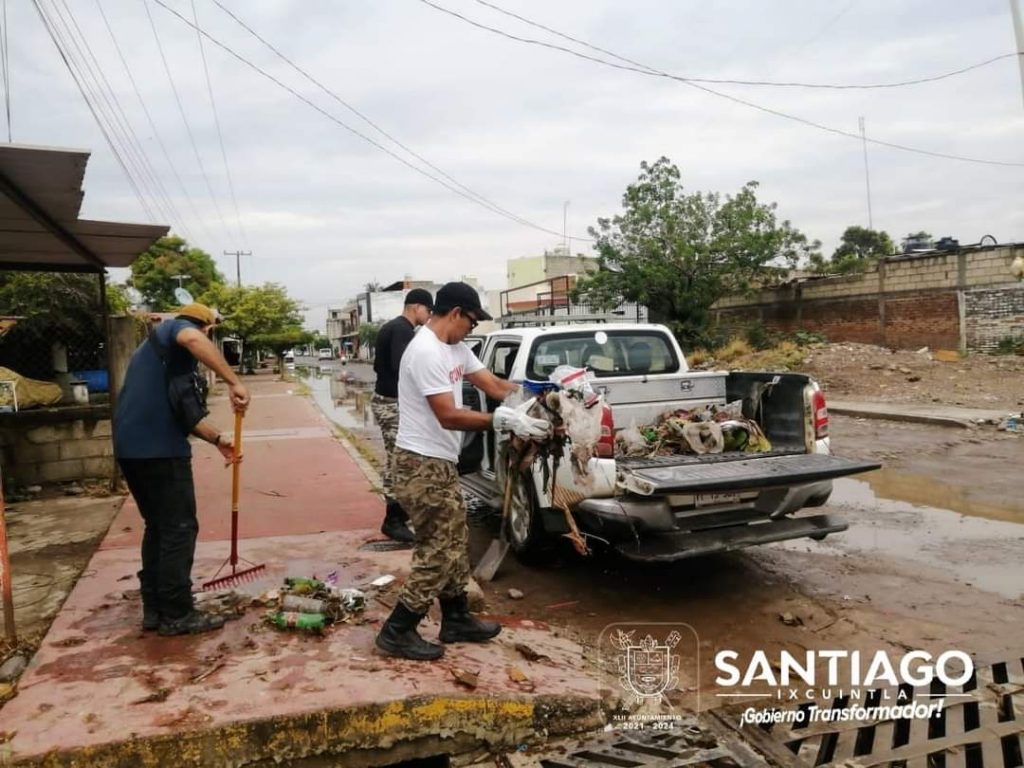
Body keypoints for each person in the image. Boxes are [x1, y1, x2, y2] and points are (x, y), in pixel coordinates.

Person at [374, 282, 552, 661]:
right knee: (438, 550)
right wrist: (501, 421)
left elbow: (495, 385)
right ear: (455, 313)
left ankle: (456, 618)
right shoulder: (425, 351)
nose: (472, 329)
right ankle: (398, 630)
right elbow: (448, 415)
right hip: (420, 464)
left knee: (455, 541)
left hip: (440, 462)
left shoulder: (455, 347)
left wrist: (542, 398)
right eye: (471, 322)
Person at [113, 303, 250, 636]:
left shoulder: (166, 363)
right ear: (207, 329)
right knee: (179, 529)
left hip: (131, 449)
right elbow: (192, 338)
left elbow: (187, 414)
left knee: (159, 527)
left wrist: (218, 439)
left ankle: (155, 609)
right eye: (209, 333)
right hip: (159, 451)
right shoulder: (174, 330)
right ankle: (177, 614)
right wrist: (234, 381)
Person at [371, 288, 434, 542]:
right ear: (416, 307)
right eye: (428, 310)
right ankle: (393, 520)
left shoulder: (392, 327)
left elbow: (379, 366)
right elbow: (404, 366)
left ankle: (401, 515)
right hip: (391, 404)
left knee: (399, 459)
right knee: (399, 460)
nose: (429, 316)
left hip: (386, 401)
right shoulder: (403, 330)